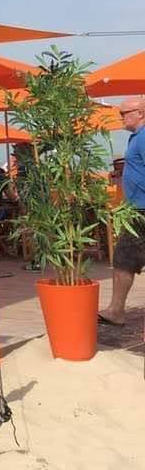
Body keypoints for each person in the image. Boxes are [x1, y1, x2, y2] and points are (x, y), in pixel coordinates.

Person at [100, 97, 145, 326]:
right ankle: (116, 310)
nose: (121, 117)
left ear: (140, 113)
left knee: (123, 259)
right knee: (126, 258)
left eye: (124, 113)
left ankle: (116, 311)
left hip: (141, 210)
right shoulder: (136, 137)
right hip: (136, 208)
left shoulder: (143, 137)